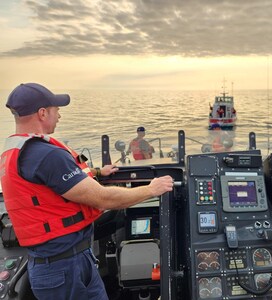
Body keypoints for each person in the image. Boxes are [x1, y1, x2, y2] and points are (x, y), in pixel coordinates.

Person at [0, 83, 173, 300]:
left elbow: (50, 183)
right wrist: (152, 189)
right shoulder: (45, 155)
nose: (60, 115)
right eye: (56, 109)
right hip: (64, 268)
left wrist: (97, 172)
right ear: (42, 113)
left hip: (57, 262)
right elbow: (103, 198)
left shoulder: (20, 151)